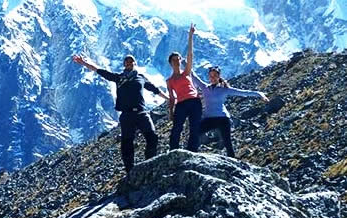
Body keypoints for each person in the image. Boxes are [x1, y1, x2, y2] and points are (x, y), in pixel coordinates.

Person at [72, 53, 169, 173]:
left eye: (131, 61)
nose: (129, 63)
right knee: (127, 143)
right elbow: (100, 71)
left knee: (152, 137)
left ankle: (149, 164)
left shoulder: (141, 77)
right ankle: (130, 170)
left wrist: (169, 100)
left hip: (142, 113)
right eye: (127, 61)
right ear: (124, 64)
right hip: (126, 115)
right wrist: (84, 63)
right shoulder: (118, 78)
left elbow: (155, 89)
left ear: (135, 63)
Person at [192, 65, 269, 157]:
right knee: (195, 133)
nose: (213, 78)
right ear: (208, 77)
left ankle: (233, 162)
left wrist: (260, 94)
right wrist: (183, 62)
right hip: (208, 118)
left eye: (215, 76)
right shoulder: (204, 87)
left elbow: (243, 92)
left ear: (219, 77)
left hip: (222, 119)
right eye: (211, 76)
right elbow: (193, 76)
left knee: (227, 142)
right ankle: (191, 155)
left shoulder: (224, 90)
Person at [166, 23, 203, 152]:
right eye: (174, 60)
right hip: (181, 104)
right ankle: (173, 151)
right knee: (177, 128)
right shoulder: (169, 81)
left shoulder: (186, 71)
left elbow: (190, 55)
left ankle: (192, 152)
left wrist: (190, 36)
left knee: (194, 127)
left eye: (178, 59)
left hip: (194, 101)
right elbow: (171, 98)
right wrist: (170, 112)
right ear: (170, 63)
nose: (177, 62)